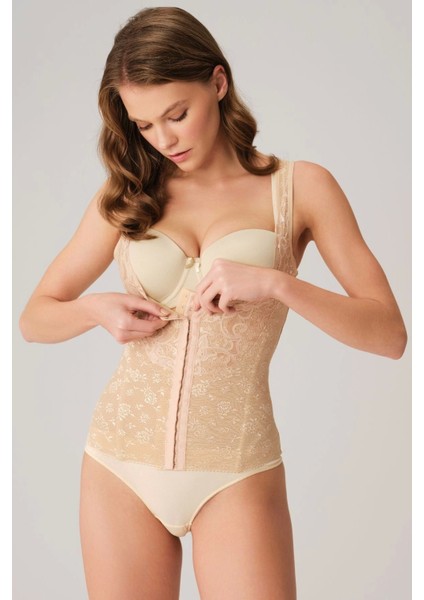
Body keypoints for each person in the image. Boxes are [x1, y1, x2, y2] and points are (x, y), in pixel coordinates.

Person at [19, 6, 407, 599]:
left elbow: (389, 335)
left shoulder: (301, 188)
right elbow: (35, 317)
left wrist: (277, 284)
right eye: (145, 125)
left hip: (236, 468)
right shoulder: (127, 194)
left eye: (177, 114)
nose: (164, 139)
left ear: (218, 83)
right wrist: (95, 310)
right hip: (119, 461)